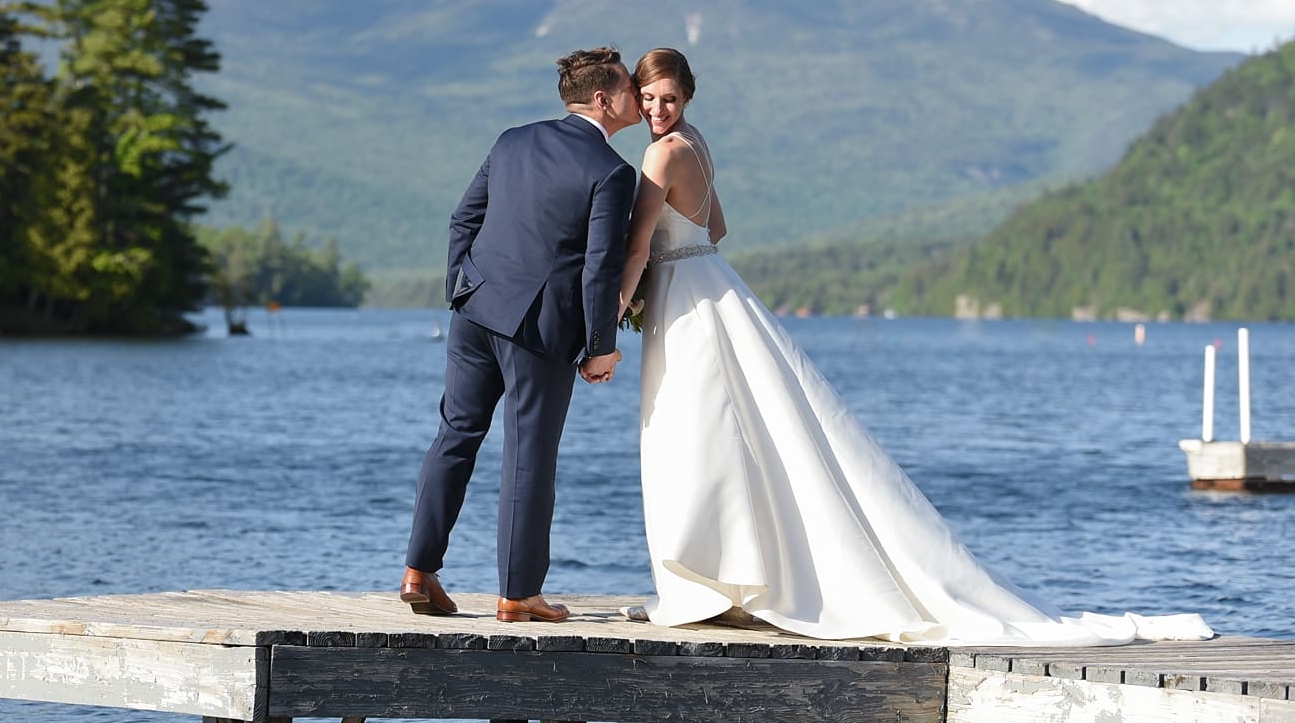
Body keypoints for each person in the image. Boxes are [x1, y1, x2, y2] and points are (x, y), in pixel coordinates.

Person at [619, 46, 1210, 645]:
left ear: (686, 95)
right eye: (648, 99)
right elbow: (717, 227)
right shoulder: (696, 142)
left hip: (685, 300)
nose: (657, 109)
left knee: (696, 435)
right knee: (729, 434)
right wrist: (678, 253)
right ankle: (727, 586)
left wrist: (612, 311)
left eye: (668, 98)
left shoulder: (661, 153)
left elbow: (639, 245)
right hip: (712, 282)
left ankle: (711, 587)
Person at [400, 46, 641, 623]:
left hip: (474, 312)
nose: (638, 94)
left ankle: (418, 571)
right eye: (630, 87)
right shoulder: (612, 171)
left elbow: (464, 219)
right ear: (603, 100)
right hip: (539, 329)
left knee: (455, 434)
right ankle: (519, 594)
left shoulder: (512, 141)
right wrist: (601, 346)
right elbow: (600, 268)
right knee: (529, 455)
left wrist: (463, 288)